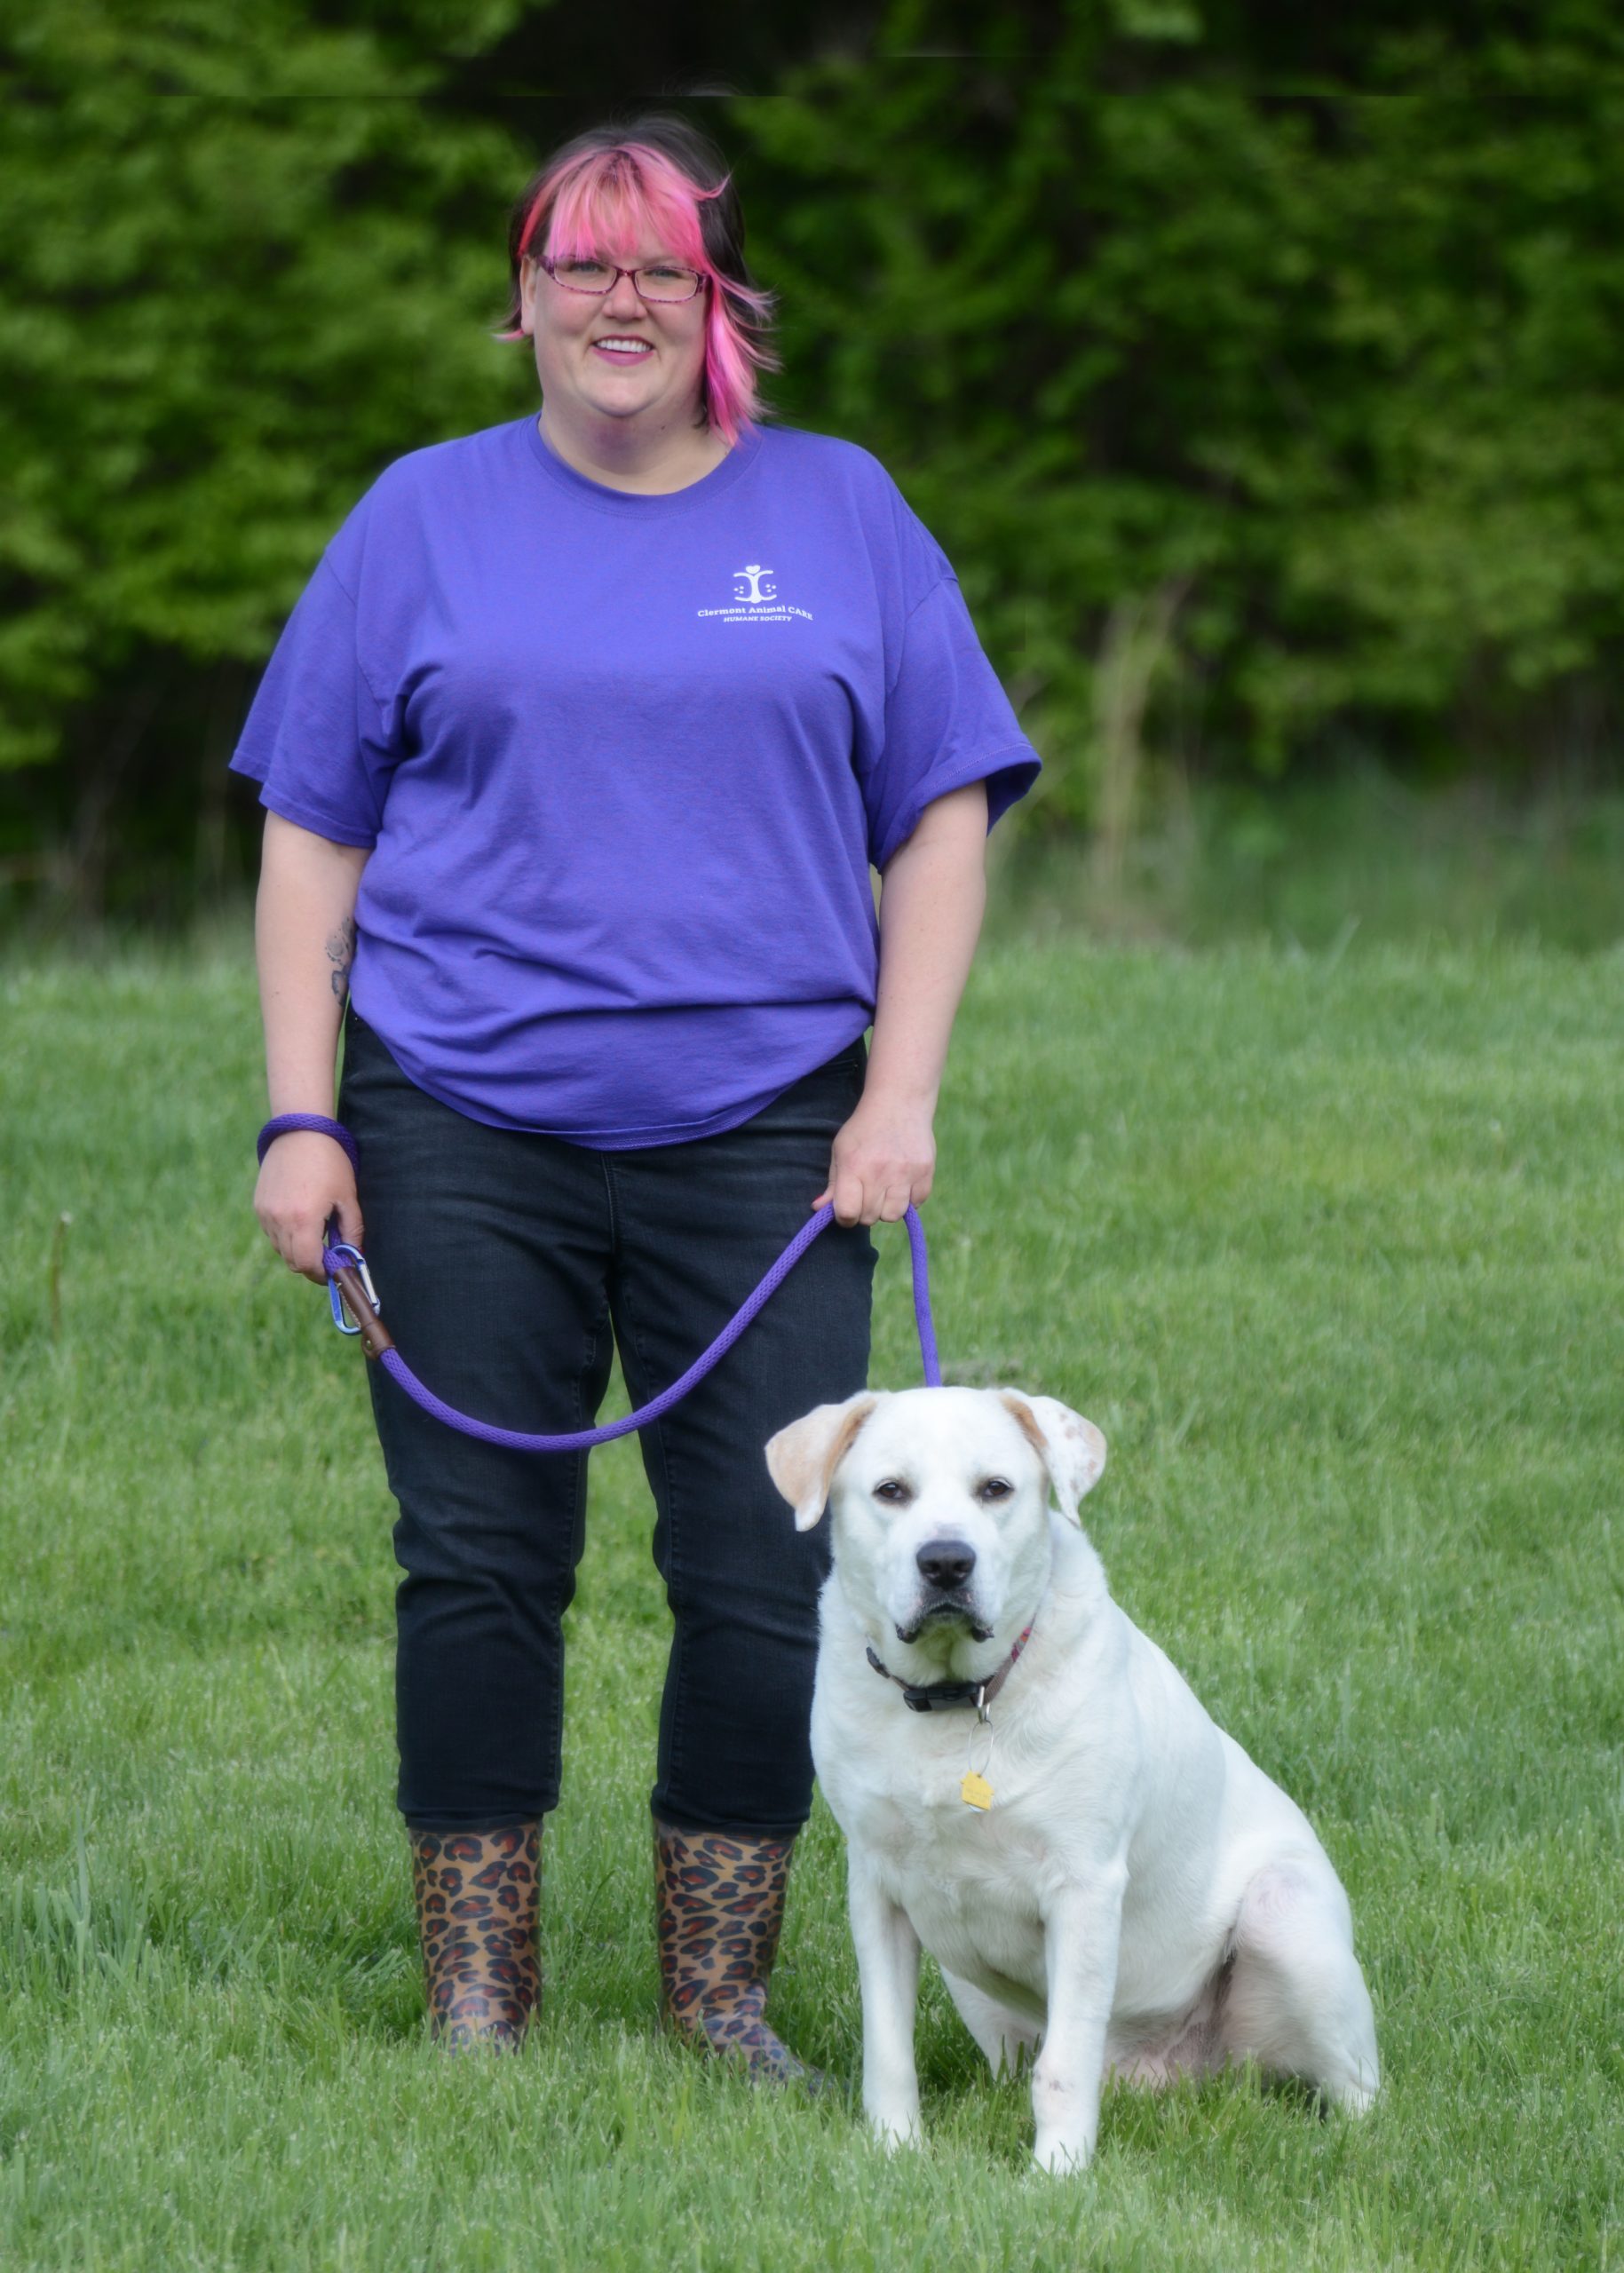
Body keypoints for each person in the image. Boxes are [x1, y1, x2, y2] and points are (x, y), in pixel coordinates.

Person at [233, 114, 1041, 2072]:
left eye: (658, 267)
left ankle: (724, 1999)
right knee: (480, 1557)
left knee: (770, 1564)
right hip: (456, 1123)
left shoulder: (844, 512)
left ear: (717, 303)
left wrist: (898, 1096)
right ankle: (481, 1999)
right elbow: (310, 834)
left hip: (774, 1132)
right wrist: (304, 1114)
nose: (617, 299)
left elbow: (939, 813)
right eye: (579, 263)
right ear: (523, 296)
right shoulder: (417, 517)